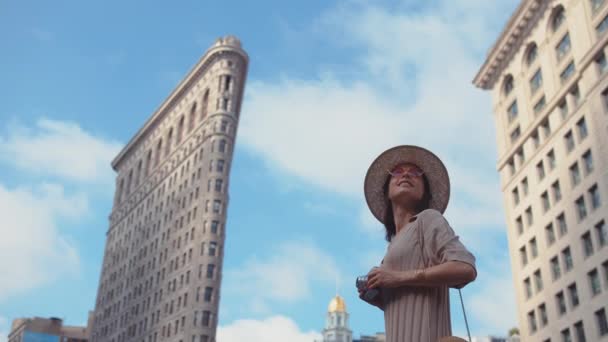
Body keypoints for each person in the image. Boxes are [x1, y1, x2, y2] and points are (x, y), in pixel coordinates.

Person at [359, 145, 477, 342]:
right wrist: (383, 301)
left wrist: (397, 278)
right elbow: (412, 298)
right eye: (397, 172)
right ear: (387, 190)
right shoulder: (390, 249)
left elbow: (466, 268)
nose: (406, 175)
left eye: (415, 173)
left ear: (425, 192)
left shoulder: (427, 219)